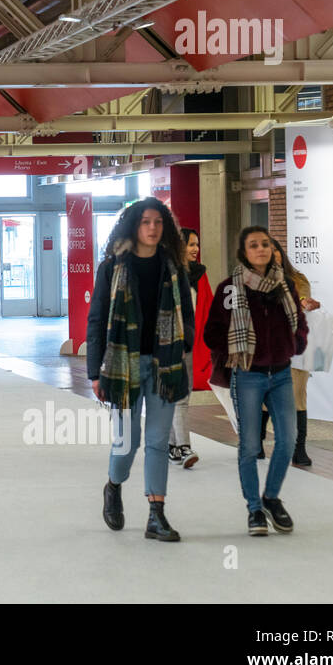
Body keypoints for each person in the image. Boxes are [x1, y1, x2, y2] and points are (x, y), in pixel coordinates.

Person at [86, 198, 194, 542]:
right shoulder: (112, 267)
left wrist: (184, 343)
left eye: (158, 222)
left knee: (159, 441)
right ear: (134, 225)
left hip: (165, 364)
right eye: (146, 222)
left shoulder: (173, 266)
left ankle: (156, 514)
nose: (152, 228)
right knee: (126, 442)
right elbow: (97, 320)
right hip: (123, 366)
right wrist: (94, 371)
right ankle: (114, 485)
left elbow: (186, 313)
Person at [204, 226, 308, 537]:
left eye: (265, 244)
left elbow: (299, 323)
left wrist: (296, 343)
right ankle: (254, 510)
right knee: (250, 446)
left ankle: (271, 498)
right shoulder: (230, 288)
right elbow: (212, 332)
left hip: (281, 374)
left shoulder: (285, 285)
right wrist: (234, 352)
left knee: (287, 441)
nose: (261, 249)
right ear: (243, 252)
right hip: (248, 374)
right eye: (253, 245)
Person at [268, 238, 321, 467]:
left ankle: (299, 448)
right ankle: (258, 443)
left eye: (275, 251)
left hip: (296, 348)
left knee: (297, 396)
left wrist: (304, 302)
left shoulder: (298, 279)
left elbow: (301, 299)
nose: (272, 255)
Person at [168, 228, 212, 470]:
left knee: (178, 397)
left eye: (197, 244)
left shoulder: (199, 275)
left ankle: (173, 446)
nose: (195, 249)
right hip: (166, 344)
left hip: (188, 344)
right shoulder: (168, 273)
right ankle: (184, 446)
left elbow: (205, 308)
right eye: (190, 244)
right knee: (180, 397)